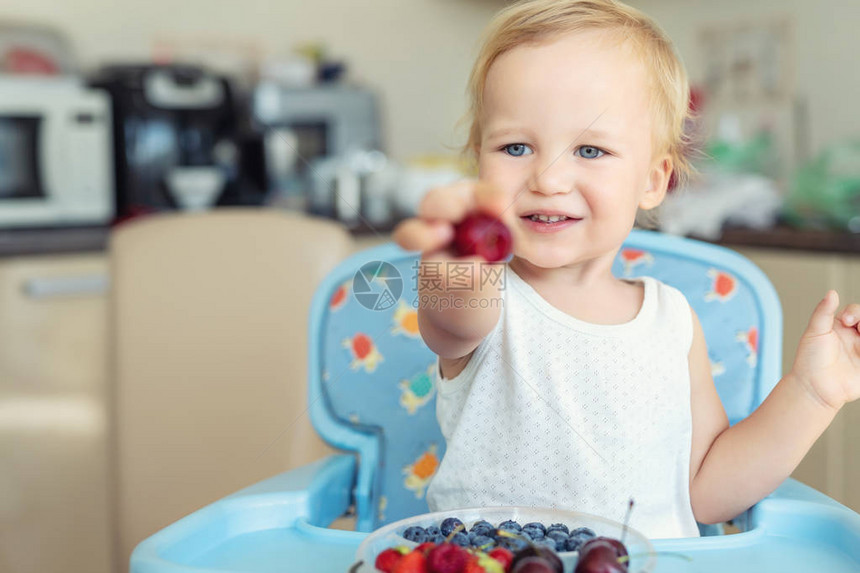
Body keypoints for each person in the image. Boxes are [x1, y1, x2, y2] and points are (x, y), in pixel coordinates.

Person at [392, 0, 860, 539]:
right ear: (479, 164)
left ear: (653, 181)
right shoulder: (488, 299)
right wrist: (458, 253)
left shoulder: (673, 321)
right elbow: (455, 318)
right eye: (516, 147)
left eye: (590, 149)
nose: (548, 178)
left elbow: (706, 494)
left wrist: (812, 393)